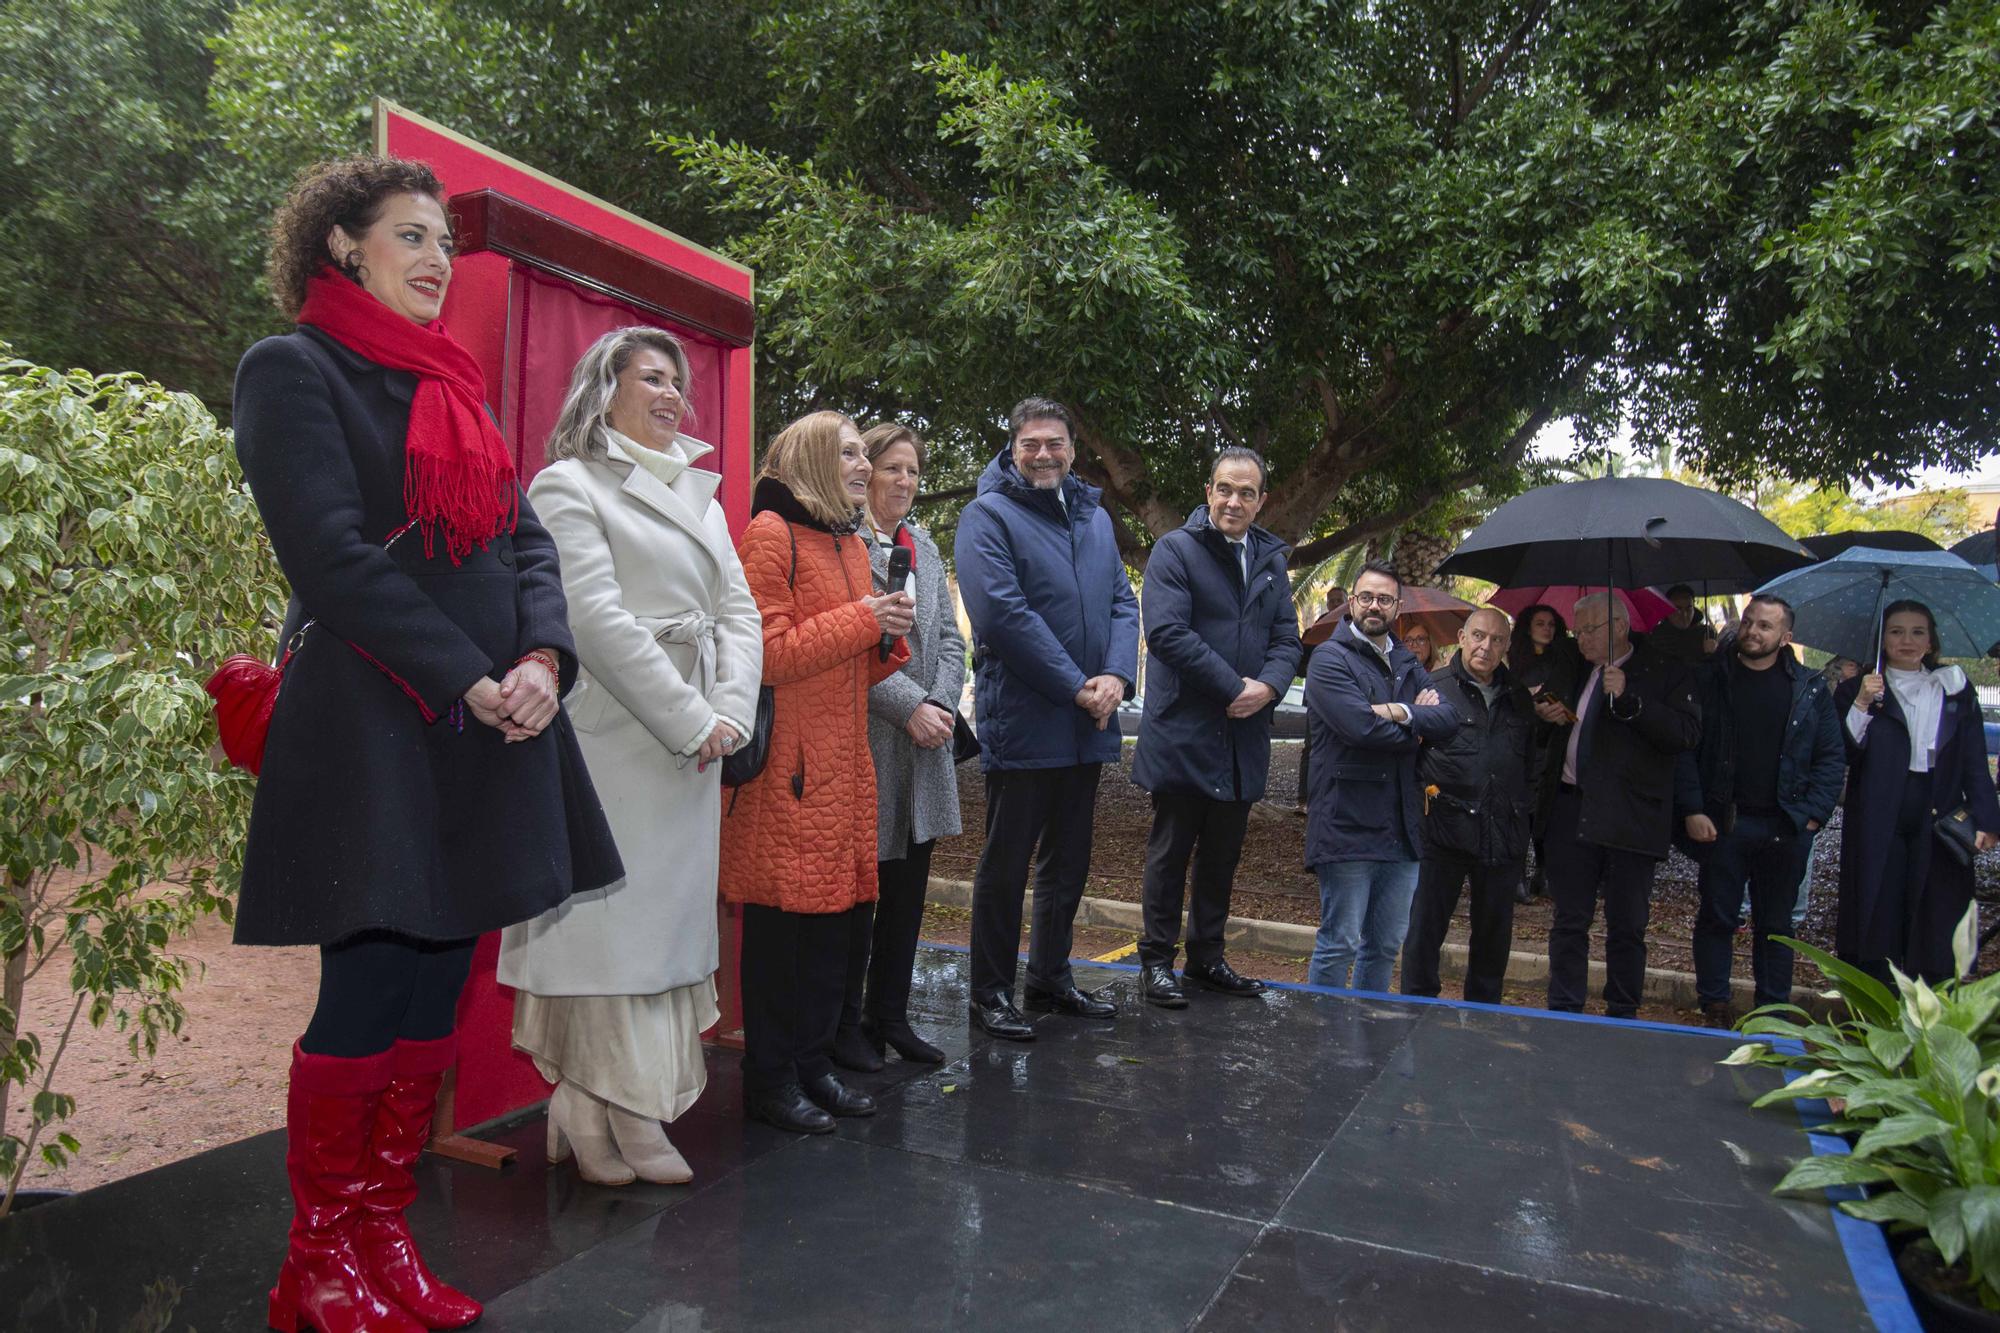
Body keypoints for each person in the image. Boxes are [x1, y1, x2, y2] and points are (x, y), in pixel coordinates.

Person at [233, 156, 622, 1333]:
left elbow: (527, 545)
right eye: (411, 236)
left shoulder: (452, 382)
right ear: (343, 247)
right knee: (367, 981)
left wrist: (544, 660)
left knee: (436, 984)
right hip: (374, 726)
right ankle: (318, 1261)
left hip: (486, 726)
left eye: (443, 243)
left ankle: (382, 1236)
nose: (436, 260)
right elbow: (331, 558)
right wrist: (470, 674)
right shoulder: (290, 370)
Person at [498, 328, 762, 1184]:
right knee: (610, 939)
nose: (671, 394)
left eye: (678, 382)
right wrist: (688, 717)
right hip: (613, 743)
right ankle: (612, 1105)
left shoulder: (698, 492)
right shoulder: (567, 484)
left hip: (691, 750)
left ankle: (598, 1105)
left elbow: (739, 613)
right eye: (651, 377)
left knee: (663, 943)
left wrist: (728, 711)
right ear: (601, 386)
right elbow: (593, 620)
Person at [720, 412, 913, 1133]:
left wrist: (887, 637)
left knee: (833, 932)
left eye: (866, 453)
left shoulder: (849, 542)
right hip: (787, 772)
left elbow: (853, 663)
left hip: (841, 763)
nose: (865, 465)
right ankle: (769, 1080)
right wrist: (867, 619)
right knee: (779, 939)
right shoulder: (769, 534)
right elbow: (764, 655)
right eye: (851, 453)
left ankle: (812, 1066)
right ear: (807, 459)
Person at [956, 397, 1140, 1040]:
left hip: (1089, 721)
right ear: (1012, 447)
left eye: (1055, 443)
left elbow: (1122, 599)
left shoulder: (1091, 516)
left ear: (1071, 450)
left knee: (1069, 861)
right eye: (1031, 443)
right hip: (1027, 718)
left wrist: (1116, 676)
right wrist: (1075, 687)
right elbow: (1003, 615)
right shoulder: (987, 516)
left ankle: (1050, 978)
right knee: (1007, 863)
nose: (1043, 454)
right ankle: (989, 993)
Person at [1131, 448, 1303, 1008]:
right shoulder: (1175, 550)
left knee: (1223, 855)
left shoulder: (1273, 561)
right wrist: (1235, 688)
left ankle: (1206, 958)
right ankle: (1157, 962)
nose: (1235, 501)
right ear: (1209, 492)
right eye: (1225, 489)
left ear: (1262, 501)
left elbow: (1287, 639)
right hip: (1185, 731)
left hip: (1243, 737)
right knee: (1171, 852)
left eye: (1247, 493)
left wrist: (1269, 688)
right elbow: (1167, 633)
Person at [834, 423, 965, 1070]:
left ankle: (890, 1013)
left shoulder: (928, 550)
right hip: (869, 737)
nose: (904, 482)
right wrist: (907, 706)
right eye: (891, 468)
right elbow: (845, 647)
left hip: (926, 744)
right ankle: (846, 1023)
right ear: (864, 475)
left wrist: (937, 703)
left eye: (913, 471)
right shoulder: (843, 545)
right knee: (862, 892)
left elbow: (951, 640)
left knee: (909, 889)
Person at [1674, 596, 1844, 1024]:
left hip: (1785, 826)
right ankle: (1714, 1002)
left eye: (1765, 626)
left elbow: (1830, 758)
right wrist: (1693, 808)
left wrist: (1813, 815)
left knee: (1777, 924)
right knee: (1717, 915)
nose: (1752, 631)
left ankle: (1772, 1008)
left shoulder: (1810, 688)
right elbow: (1686, 749)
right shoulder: (1711, 679)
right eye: (1749, 622)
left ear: (1785, 637)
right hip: (1724, 822)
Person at [1533, 592, 1701, 1018]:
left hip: (1631, 815)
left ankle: (1622, 1011)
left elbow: (1684, 734)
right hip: (1572, 808)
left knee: (1627, 925)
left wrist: (1631, 701)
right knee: (1569, 920)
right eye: (1578, 630)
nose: (1582, 638)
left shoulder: (1665, 671)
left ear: (1620, 627)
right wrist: (1547, 713)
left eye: (1590, 630)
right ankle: (1564, 1007)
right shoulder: (1573, 666)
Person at [1303, 562, 1459, 990]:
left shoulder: (1407, 662)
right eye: (1367, 597)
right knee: (1340, 942)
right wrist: (1419, 725)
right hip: (1345, 823)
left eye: (1384, 599)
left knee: (1387, 945)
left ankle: (1369, 1038)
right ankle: (1328, 1037)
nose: (1375, 606)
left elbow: (1448, 720)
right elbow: (1358, 728)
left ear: (1398, 607)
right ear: (1352, 603)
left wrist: (1399, 711)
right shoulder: (1328, 660)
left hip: (1402, 827)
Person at [1833, 601, 2000, 984]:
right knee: (1879, 905)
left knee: (1937, 907)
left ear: (1931, 640)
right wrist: (1861, 703)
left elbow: (1974, 758)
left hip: (1938, 808)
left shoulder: (1954, 688)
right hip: (1879, 809)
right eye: (1896, 631)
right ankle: (1877, 995)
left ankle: (1932, 1000)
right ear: (1882, 638)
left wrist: (1987, 818)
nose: (1906, 640)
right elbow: (1841, 752)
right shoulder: (1856, 689)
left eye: (1917, 632)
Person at [1400, 607, 1536, 1004]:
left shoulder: (1519, 697)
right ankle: (1416, 1008)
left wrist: (1523, 819)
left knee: (1494, 936)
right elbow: (1409, 759)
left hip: (1501, 834)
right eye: (1478, 636)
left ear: (1507, 646)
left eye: (1496, 640)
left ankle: (1482, 1016)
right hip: (1442, 832)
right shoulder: (1433, 688)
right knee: (1425, 930)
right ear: (1461, 636)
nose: (1485, 647)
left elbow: (1530, 765)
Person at [1508, 604, 1582, 903]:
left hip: (1557, 742)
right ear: (1528, 626)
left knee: (1546, 809)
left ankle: (1543, 871)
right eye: (1540, 623)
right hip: (1525, 743)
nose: (1547, 629)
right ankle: (1518, 876)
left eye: (1552, 624)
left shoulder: (1564, 657)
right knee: (1524, 810)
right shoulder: (1513, 658)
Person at [1648, 584, 1719, 663]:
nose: (1684, 615)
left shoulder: (1706, 634)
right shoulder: (1656, 637)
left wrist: (1711, 653)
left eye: (1688, 608)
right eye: (1677, 609)